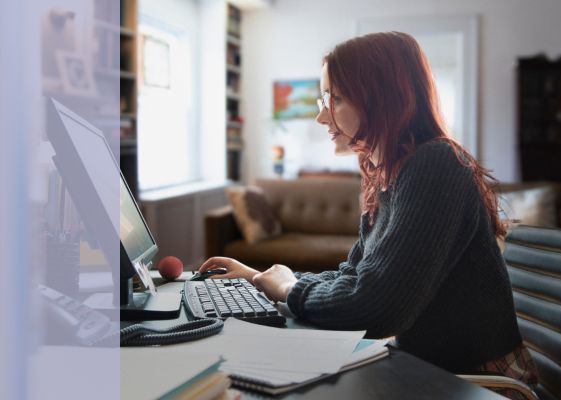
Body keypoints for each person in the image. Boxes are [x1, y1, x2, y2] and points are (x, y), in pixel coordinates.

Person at [199, 31, 538, 398]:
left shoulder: (436, 164)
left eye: (336, 98)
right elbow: (356, 278)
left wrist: (288, 287)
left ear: (383, 98)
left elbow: (374, 308)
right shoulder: (387, 175)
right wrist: (264, 278)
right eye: (323, 98)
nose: (320, 115)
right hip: (430, 370)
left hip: (479, 385)